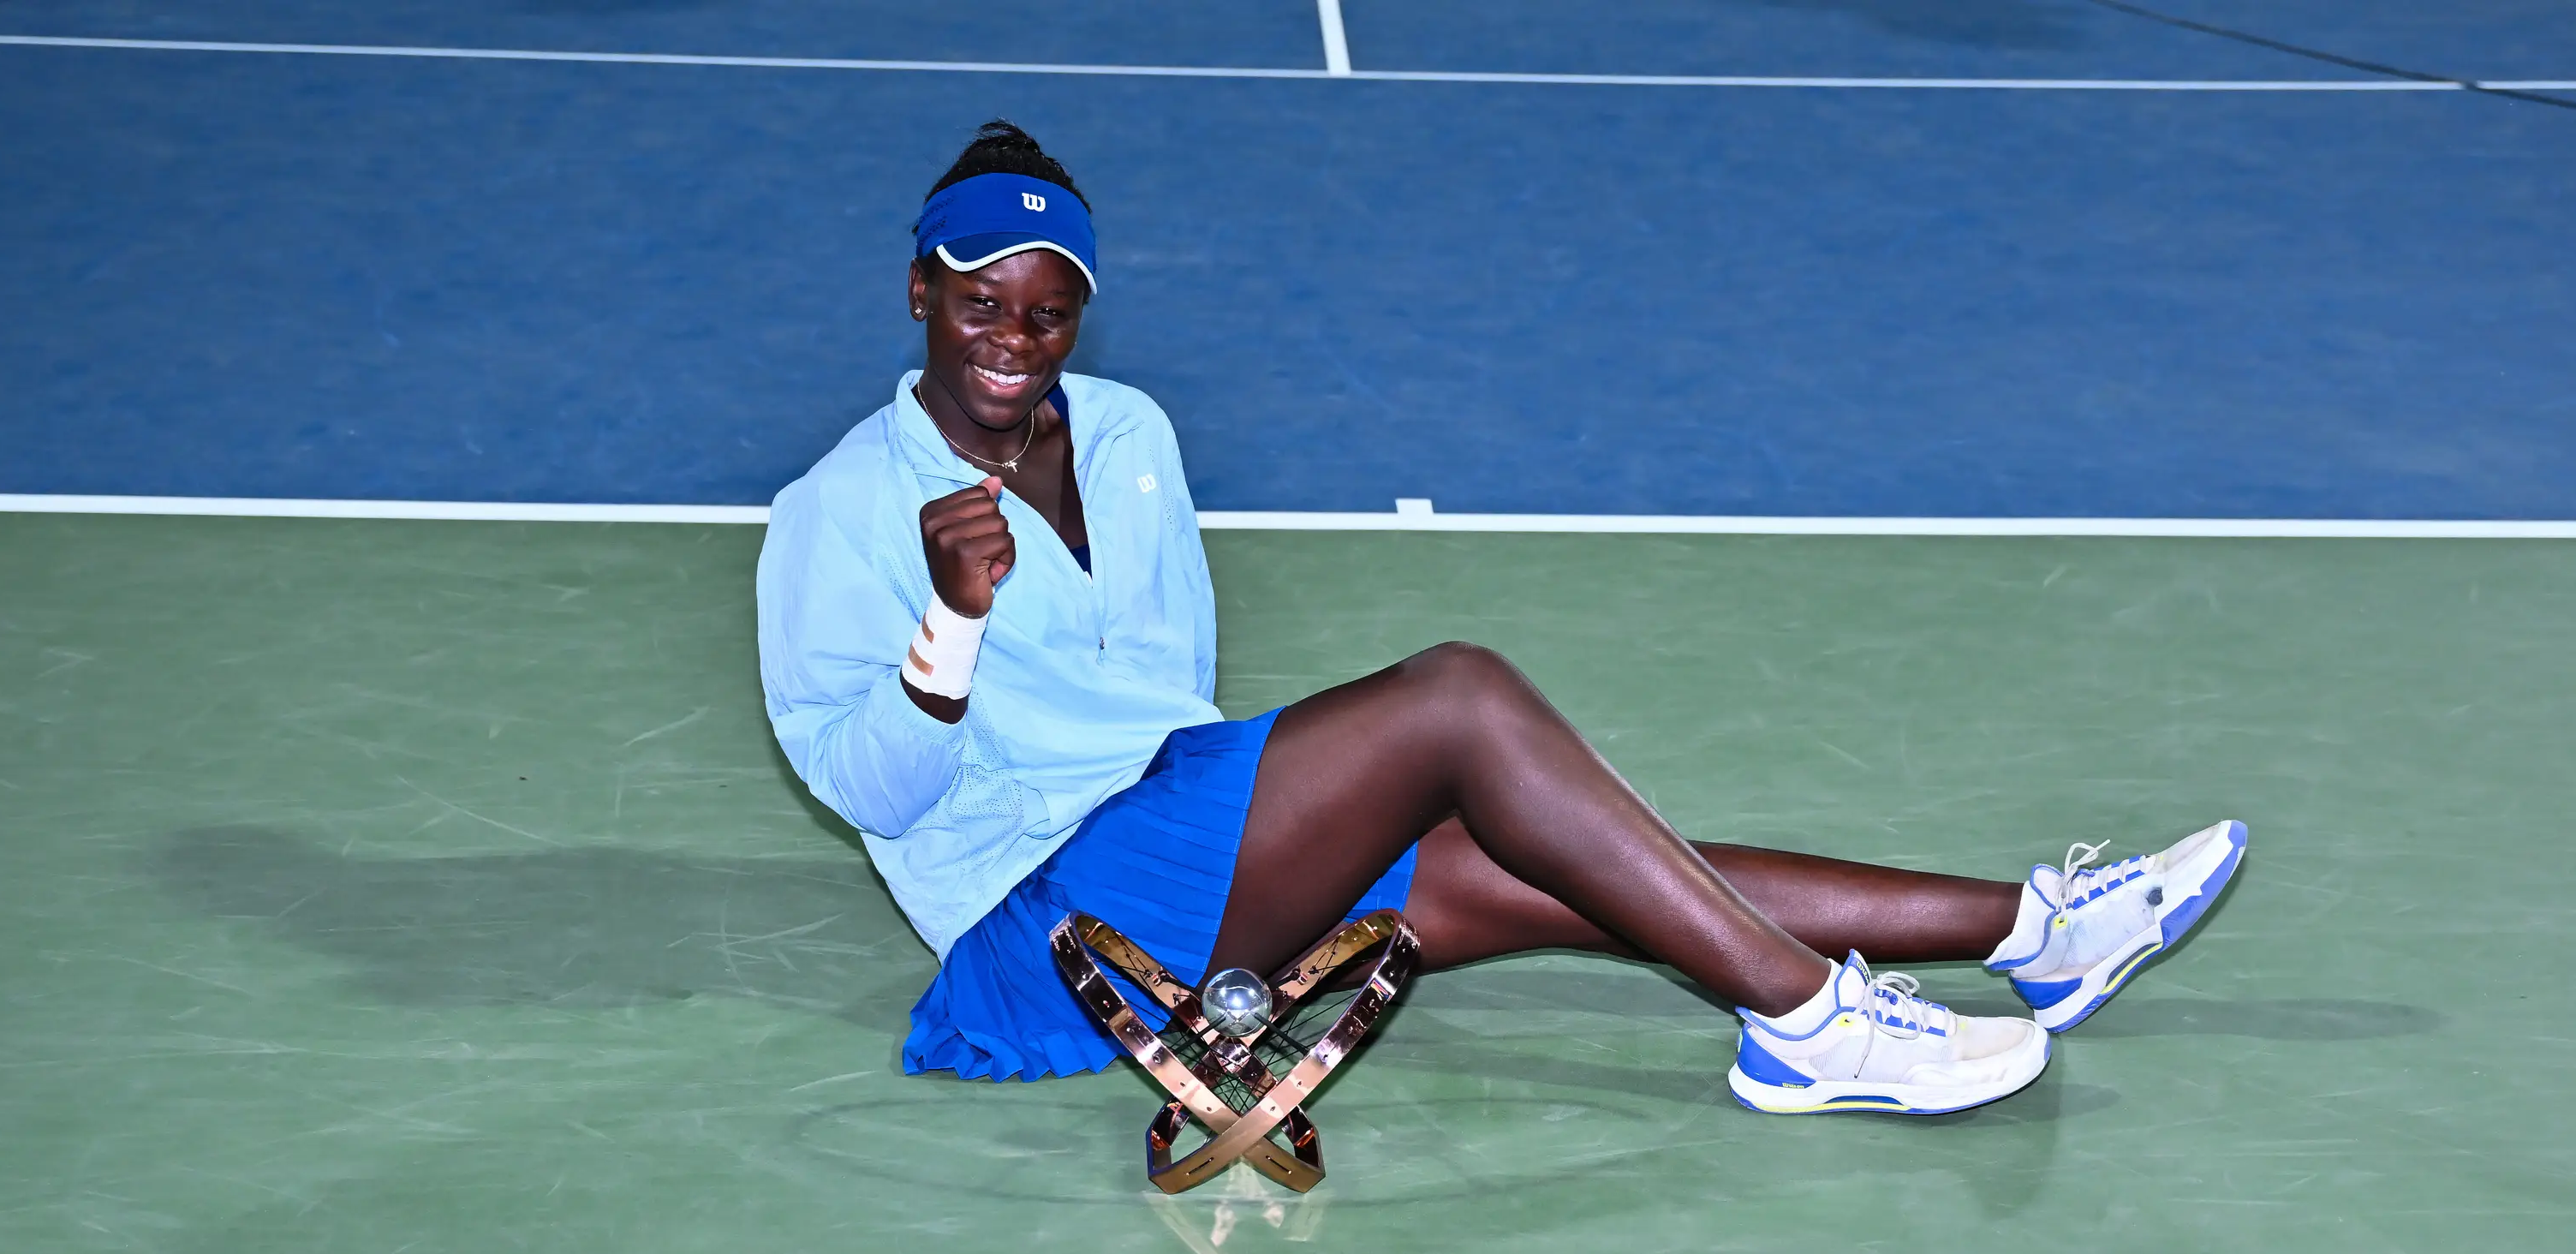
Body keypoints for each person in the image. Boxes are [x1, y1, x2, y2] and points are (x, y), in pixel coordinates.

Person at [757, 122, 2245, 1119]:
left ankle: (2036, 930)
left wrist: (1286, 844)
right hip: (1043, 951)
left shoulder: (1131, 432)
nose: (1015, 344)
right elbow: (866, 792)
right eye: (979, 306)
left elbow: (1170, 691)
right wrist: (949, 631)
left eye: (1048, 311)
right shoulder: (839, 510)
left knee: (1562, 865)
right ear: (918, 293)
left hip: (1193, 863)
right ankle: (1810, 1027)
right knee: (1456, 700)